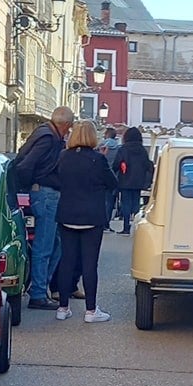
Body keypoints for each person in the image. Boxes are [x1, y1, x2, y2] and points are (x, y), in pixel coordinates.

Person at [53, 120, 117, 322]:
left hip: (67, 214)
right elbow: (112, 183)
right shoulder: (97, 159)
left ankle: (62, 308)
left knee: (67, 261)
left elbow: (57, 179)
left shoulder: (63, 156)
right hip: (91, 216)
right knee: (90, 264)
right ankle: (90, 310)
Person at [11, 106, 73, 309]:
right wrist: (33, 184)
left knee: (55, 244)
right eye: (69, 128)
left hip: (42, 193)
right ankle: (38, 294)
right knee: (45, 245)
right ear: (64, 125)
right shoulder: (49, 138)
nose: (69, 131)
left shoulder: (44, 134)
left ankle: (39, 287)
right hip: (45, 194)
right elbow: (26, 165)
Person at [113, 125, 153, 230]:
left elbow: (116, 165)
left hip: (125, 180)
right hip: (139, 180)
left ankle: (126, 227)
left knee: (125, 203)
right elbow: (147, 165)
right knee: (136, 203)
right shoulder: (143, 150)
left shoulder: (123, 149)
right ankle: (135, 226)